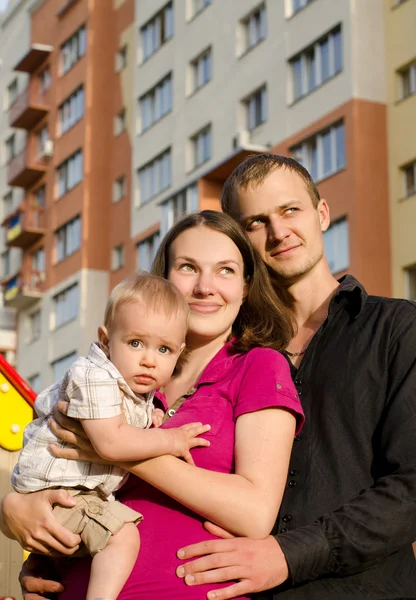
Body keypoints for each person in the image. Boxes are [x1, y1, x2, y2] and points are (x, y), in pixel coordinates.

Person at [0, 210, 305, 600]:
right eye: (188, 267)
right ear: (164, 279)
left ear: (246, 287)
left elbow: (254, 513)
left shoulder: (258, 366)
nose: (205, 287)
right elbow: (59, 477)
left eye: (225, 271)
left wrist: (117, 446)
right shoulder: (119, 376)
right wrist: (15, 509)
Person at [168, 154, 416, 599]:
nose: (279, 231)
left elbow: (411, 485)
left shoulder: (398, 329)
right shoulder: (218, 351)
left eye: (290, 210)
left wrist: (287, 554)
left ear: (321, 213)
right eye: (257, 221)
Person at [10, 272, 211, 600]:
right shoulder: (94, 377)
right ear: (105, 340)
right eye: (135, 343)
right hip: (61, 492)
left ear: (179, 352)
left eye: (164, 349)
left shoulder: (133, 385)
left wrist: (151, 417)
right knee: (123, 537)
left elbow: (124, 422)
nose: (149, 359)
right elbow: (111, 443)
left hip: (73, 493)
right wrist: (172, 440)